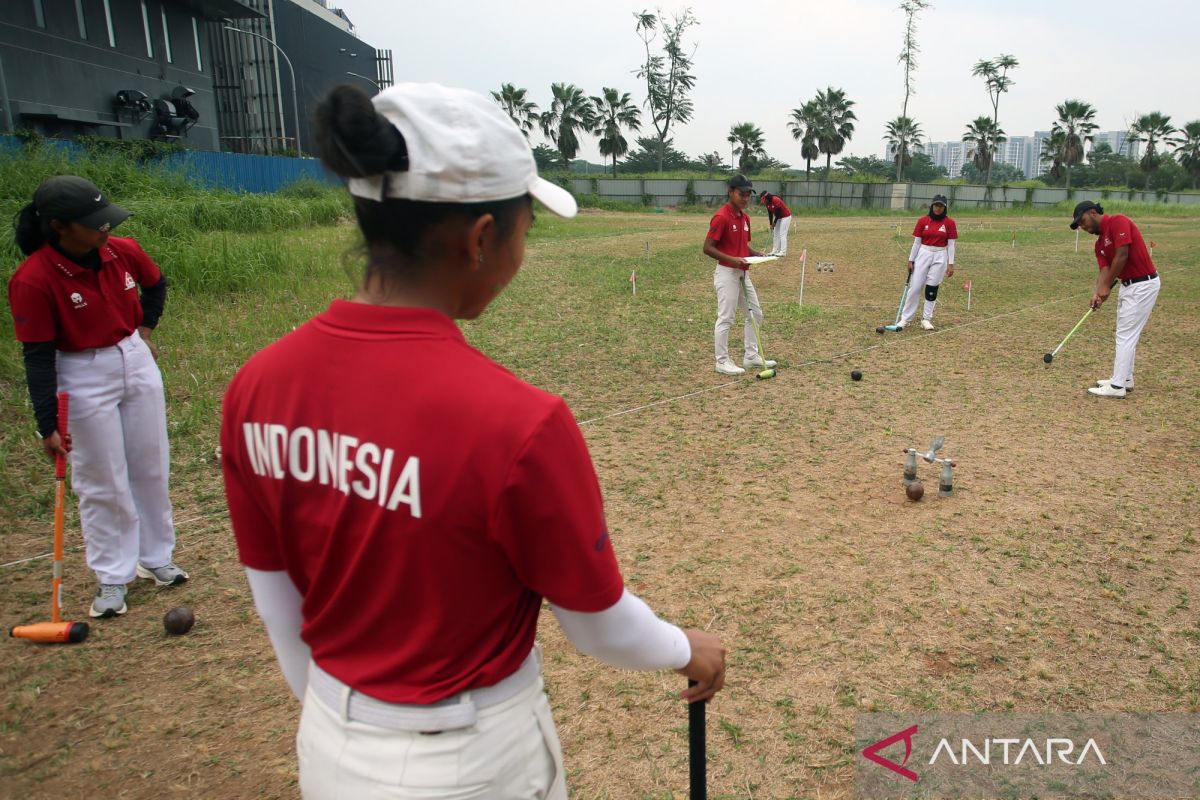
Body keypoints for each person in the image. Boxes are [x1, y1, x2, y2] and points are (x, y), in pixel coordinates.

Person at [220, 83, 726, 800]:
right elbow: (596, 626)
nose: (521, 251)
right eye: (525, 230)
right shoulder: (518, 422)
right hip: (469, 763)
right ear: (481, 237)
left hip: (330, 746)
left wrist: (349, 728)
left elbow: (278, 602)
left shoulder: (256, 386)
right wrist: (686, 647)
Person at [8, 176, 186, 619]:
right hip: (81, 372)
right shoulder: (34, 279)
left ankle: (155, 557)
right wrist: (47, 422)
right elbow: (38, 354)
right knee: (101, 476)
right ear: (59, 226)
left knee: (150, 462)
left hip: (134, 357)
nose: (106, 230)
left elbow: (156, 284)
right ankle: (112, 574)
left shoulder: (121, 250)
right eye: (94, 224)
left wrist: (143, 331)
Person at [1070, 201, 1160, 398]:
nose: (1083, 227)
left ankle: (1117, 386)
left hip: (1143, 284)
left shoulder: (1118, 221)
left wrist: (1106, 286)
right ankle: (1125, 379)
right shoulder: (1099, 244)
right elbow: (1104, 270)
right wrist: (1098, 292)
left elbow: (1122, 255)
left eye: (1083, 221)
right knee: (1126, 333)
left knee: (1125, 335)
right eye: (1079, 226)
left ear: (1093, 212)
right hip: (1129, 286)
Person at [704, 174, 776, 376]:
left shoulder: (745, 218)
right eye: (741, 194)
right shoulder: (721, 217)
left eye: (748, 195)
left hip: (743, 273)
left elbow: (743, 246)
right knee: (726, 317)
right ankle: (722, 361)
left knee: (756, 314)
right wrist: (732, 259)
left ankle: (751, 356)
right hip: (727, 273)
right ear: (730, 192)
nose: (745, 199)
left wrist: (757, 255)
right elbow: (707, 248)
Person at [898, 193, 957, 331]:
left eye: (941, 206)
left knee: (932, 288)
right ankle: (906, 318)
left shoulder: (950, 223)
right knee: (915, 287)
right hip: (923, 253)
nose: (938, 208)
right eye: (936, 205)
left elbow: (951, 245)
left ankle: (926, 319)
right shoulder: (923, 221)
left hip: (940, 255)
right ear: (932, 205)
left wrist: (951, 264)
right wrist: (911, 260)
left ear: (945, 207)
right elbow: (917, 242)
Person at [759, 190, 792, 257]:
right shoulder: (767, 203)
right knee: (775, 234)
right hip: (779, 217)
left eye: (764, 200)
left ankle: (783, 252)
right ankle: (775, 250)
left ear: (767, 198)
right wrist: (771, 224)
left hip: (785, 217)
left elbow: (778, 214)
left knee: (782, 234)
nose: (764, 202)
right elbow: (770, 214)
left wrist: (774, 223)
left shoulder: (775, 200)